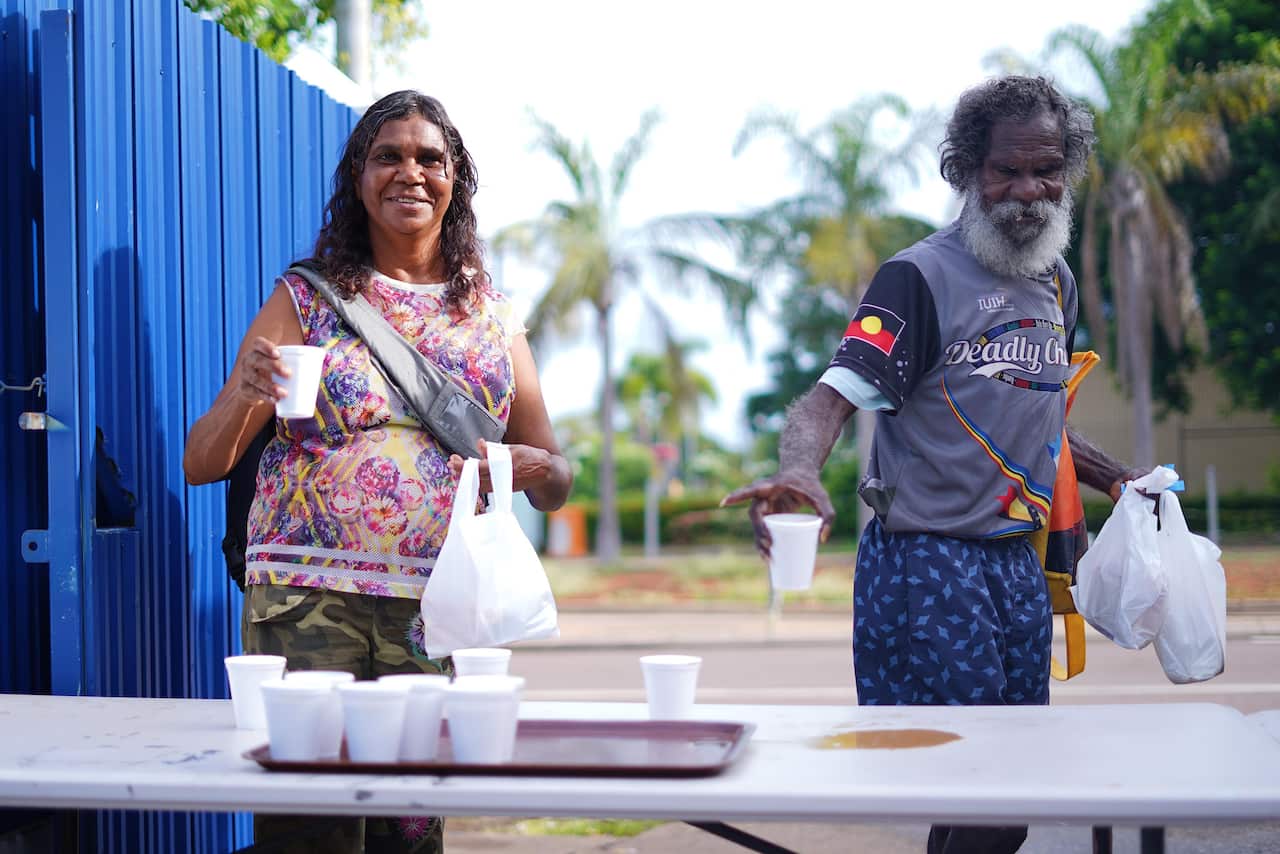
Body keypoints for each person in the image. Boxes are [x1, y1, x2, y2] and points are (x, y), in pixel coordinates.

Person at [723, 76, 1144, 854]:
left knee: (1003, 797)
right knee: (982, 802)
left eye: (1046, 169)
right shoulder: (918, 278)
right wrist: (802, 472)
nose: (1028, 191)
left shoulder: (1055, 282)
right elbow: (829, 399)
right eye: (1005, 171)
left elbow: (1037, 415)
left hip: (1010, 565)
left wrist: (1124, 482)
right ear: (966, 172)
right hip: (927, 562)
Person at [184, 90, 572, 854]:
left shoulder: (493, 318)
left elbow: (558, 479)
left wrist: (538, 469)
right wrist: (246, 392)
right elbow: (203, 463)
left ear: (456, 178)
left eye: (431, 157)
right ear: (358, 176)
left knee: (409, 821)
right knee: (308, 822)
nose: (410, 173)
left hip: (431, 608)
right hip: (305, 598)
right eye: (388, 155)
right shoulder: (305, 299)